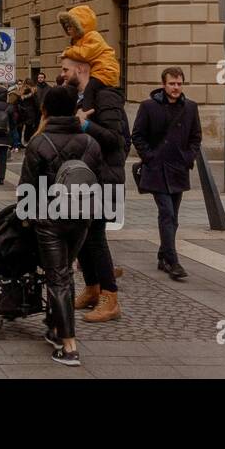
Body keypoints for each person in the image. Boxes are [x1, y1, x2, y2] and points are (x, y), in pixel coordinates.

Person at [19, 85, 104, 366]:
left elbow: (27, 187)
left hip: (50, 219)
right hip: (81, 219)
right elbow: (97, 183)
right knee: (64, 273)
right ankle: (56, 328)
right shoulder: (91, 143)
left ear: (46, 110)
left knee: (57, 277)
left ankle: (69, 346)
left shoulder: (39, 142)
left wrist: (24, 217)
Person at [61, 56, 130, 324]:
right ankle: (92, 288)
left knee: (97, 237)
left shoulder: (106, 97)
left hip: (104, 178)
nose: (63, 74)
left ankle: (110, 297)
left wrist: (86, 125)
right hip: (85, 177)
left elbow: (118, 140)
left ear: (81, 69)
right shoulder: (82, 98)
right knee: (83, 235)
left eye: (66, 69)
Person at [132, 67, 200, 281]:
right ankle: (173, 262)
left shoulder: (190, 107)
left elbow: (196, 137)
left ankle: (162, 255)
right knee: (167, 214)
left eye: (179, 83)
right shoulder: (148, 106)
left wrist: (189, 156)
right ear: (164, 84)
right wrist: (150, 156)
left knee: (174, 217)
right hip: (157, 170)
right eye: (172, 83)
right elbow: (137, 135)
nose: (176, 87)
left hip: (178, 169)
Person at [58, 5, 121, 89]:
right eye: (66, 26)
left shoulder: (93, 36)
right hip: (96, 71)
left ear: (80, 25)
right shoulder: (78, 40)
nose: (68, 29)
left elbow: (85, 54)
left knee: (89, 92)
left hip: (105, 71)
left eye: (70, 26)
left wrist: (67, 52)